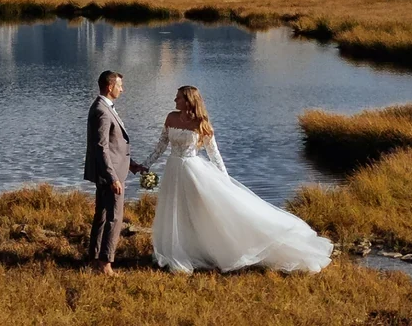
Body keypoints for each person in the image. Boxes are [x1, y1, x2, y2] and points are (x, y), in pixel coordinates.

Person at [143, 85, 333, 273]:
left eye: (178, 97)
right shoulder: (171, 117)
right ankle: (179, 249)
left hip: (192, 171)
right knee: (175, 209)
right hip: (173, 169)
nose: (174, 100)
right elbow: (161, 145)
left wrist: (224, 180)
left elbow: (214, 154)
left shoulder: (201, 123)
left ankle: (208, 249)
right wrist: (145, 164)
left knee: (199, 211)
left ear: (188, 101)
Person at [82, 69, 145, 276]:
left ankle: (94, 259)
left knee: (101, 215)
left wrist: (131, 164)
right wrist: (113, 177)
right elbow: (101, 147)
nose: (122, 89)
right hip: (111, 174)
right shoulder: (102, 110)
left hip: (112, 170)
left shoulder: (103, 107)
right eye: (119, 86)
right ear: (110, 87)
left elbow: (113, 145)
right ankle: (105, 263)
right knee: (114, 217)